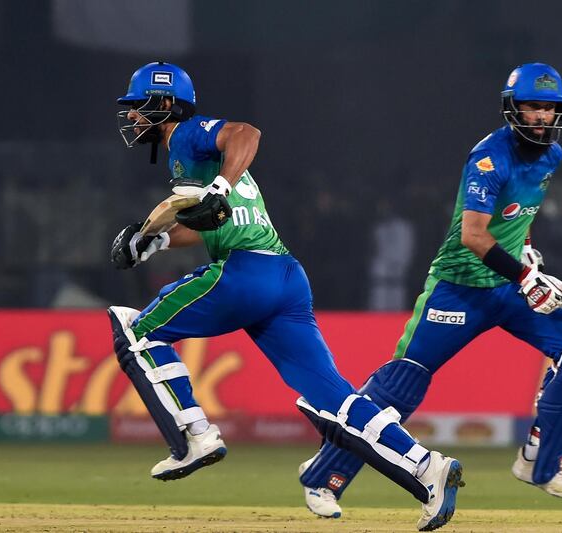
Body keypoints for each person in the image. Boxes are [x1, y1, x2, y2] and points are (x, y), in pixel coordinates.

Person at [107, 61, 463, 531]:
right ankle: (425, 467)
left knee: (136, 331)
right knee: (332, 397)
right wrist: (158, 240)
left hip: (245, 275)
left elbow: (246, 131)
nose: (132, 118)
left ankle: (194, 435)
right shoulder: (194, 158)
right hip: (286, 279)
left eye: (138, 107)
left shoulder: (190, 135)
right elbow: (209, 222)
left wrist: (217, 187)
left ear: (165, 103)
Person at [298, 63, 562, 518]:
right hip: (459, 288)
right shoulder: (489, 158)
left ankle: (539, 463)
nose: (542, 117)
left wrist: (528, 256)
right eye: (532, 107)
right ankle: (323, 477)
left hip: (509, 286)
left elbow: (517, 218)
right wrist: (525, 277)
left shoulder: (552, 156)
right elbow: (475, 236)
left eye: (549, 108)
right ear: (512, 109)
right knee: (401, 384)